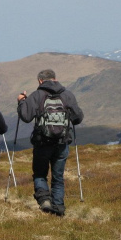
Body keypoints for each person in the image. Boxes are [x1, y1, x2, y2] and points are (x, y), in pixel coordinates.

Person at [17, 69, 84, 216]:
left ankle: (44, 200)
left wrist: (22, 101)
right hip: (62, 142)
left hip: (42, 142)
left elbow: (26, 116)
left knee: (40, 174)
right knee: (58, 177)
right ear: (55, 78)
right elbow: (78, 118)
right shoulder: (67, 95)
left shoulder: (37, 95)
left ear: (40, 81)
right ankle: (59, 208)